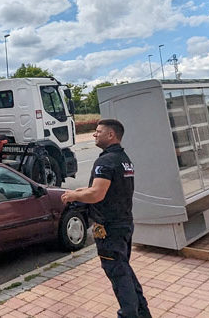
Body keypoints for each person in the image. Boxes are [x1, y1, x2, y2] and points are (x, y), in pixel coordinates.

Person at [61, 119, 150, 318]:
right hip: (124, 223)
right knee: (124, 270)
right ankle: (142, 313)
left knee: (118, 274)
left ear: (110, 135)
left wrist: (74, 196)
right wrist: (82, 190)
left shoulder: (106, 161)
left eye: (98, 131)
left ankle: (129, 314)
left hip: (110, 228)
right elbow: (108, 189)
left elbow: (97, 194)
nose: (94, 134)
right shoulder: (123, 159)